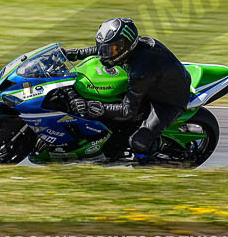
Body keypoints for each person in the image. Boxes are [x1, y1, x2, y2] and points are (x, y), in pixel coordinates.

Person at [63, 17, 191, 162]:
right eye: (104, 48)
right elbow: (99, 50)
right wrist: (71, 54)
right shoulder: (132, 48)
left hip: (169, 99)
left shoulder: (140, 71)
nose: (104, 54)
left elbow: (127, 111)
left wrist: (95, 107)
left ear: (125, 46)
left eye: (110, 50)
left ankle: (147, 162)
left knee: (138, 142)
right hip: (151, 83)